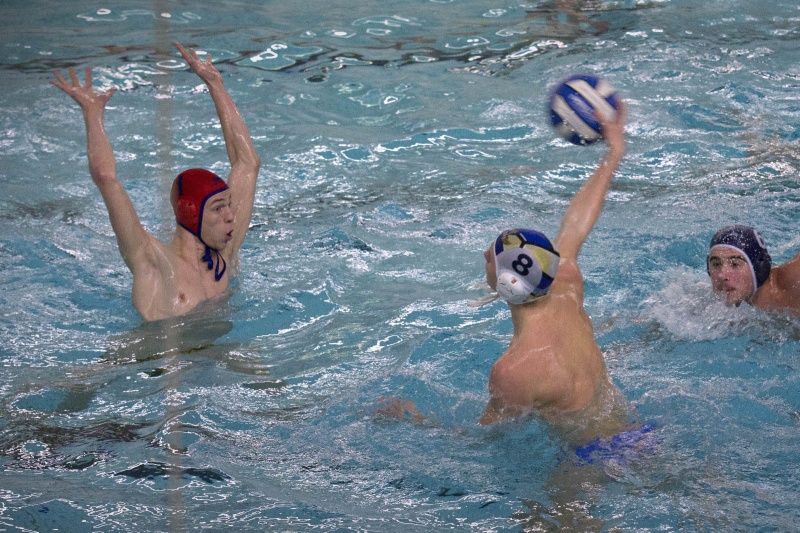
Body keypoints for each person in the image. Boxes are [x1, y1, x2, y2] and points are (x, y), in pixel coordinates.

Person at [51, 42, 260, 322]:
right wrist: (92, 114)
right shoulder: (152, 262)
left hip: (213, 356)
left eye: (229, 206)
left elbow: (247, 164)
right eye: (219, 208)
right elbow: (106, 179)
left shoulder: (225, 255)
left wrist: (215, 84)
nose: (231, 216)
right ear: (191, 213)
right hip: (156, 360)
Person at [473, 100, 633, 444]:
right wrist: (614, 152)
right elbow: (576, 223)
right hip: (632, 431)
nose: (486, 252)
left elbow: (480, 442)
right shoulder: (565, 285)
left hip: (587, 461)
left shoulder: (514, 371)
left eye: (493, 256)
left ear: (508, 282)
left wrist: (412, 420)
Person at [707, 225, 800, 316]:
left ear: (759, 268)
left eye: (735, 264)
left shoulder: (791, 283)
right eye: (716, 264)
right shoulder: (704, 304)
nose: (722, 276)